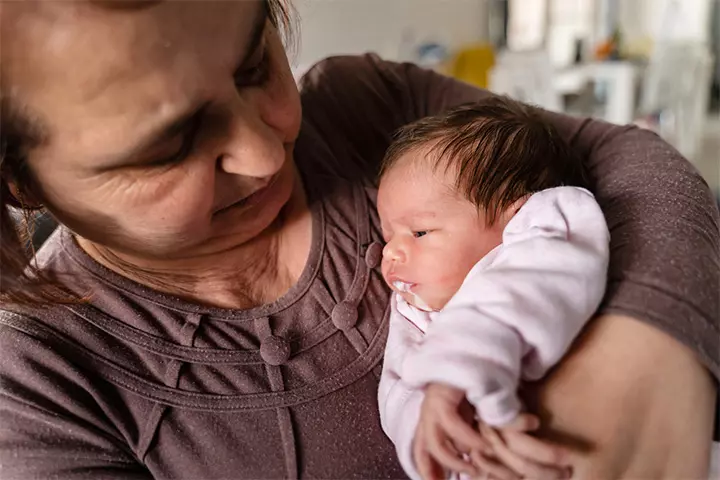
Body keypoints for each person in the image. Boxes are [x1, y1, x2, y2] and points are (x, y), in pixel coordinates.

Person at [0, 1, 716, 478]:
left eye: (255, 66)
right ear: (21, 182)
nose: (265, 150)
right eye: (170, 145)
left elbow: (630, 163)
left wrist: (653, 350)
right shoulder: (34, 387)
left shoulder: (371, 112)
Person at [377, 98, 609, 480]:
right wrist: (436, 431)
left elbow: (521, 290)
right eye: (388, 234)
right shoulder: (411, 311)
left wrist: (453, 375)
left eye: (419, 231)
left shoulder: (545, 241)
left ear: (517, 216)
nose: (390, 251)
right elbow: (399, 390)